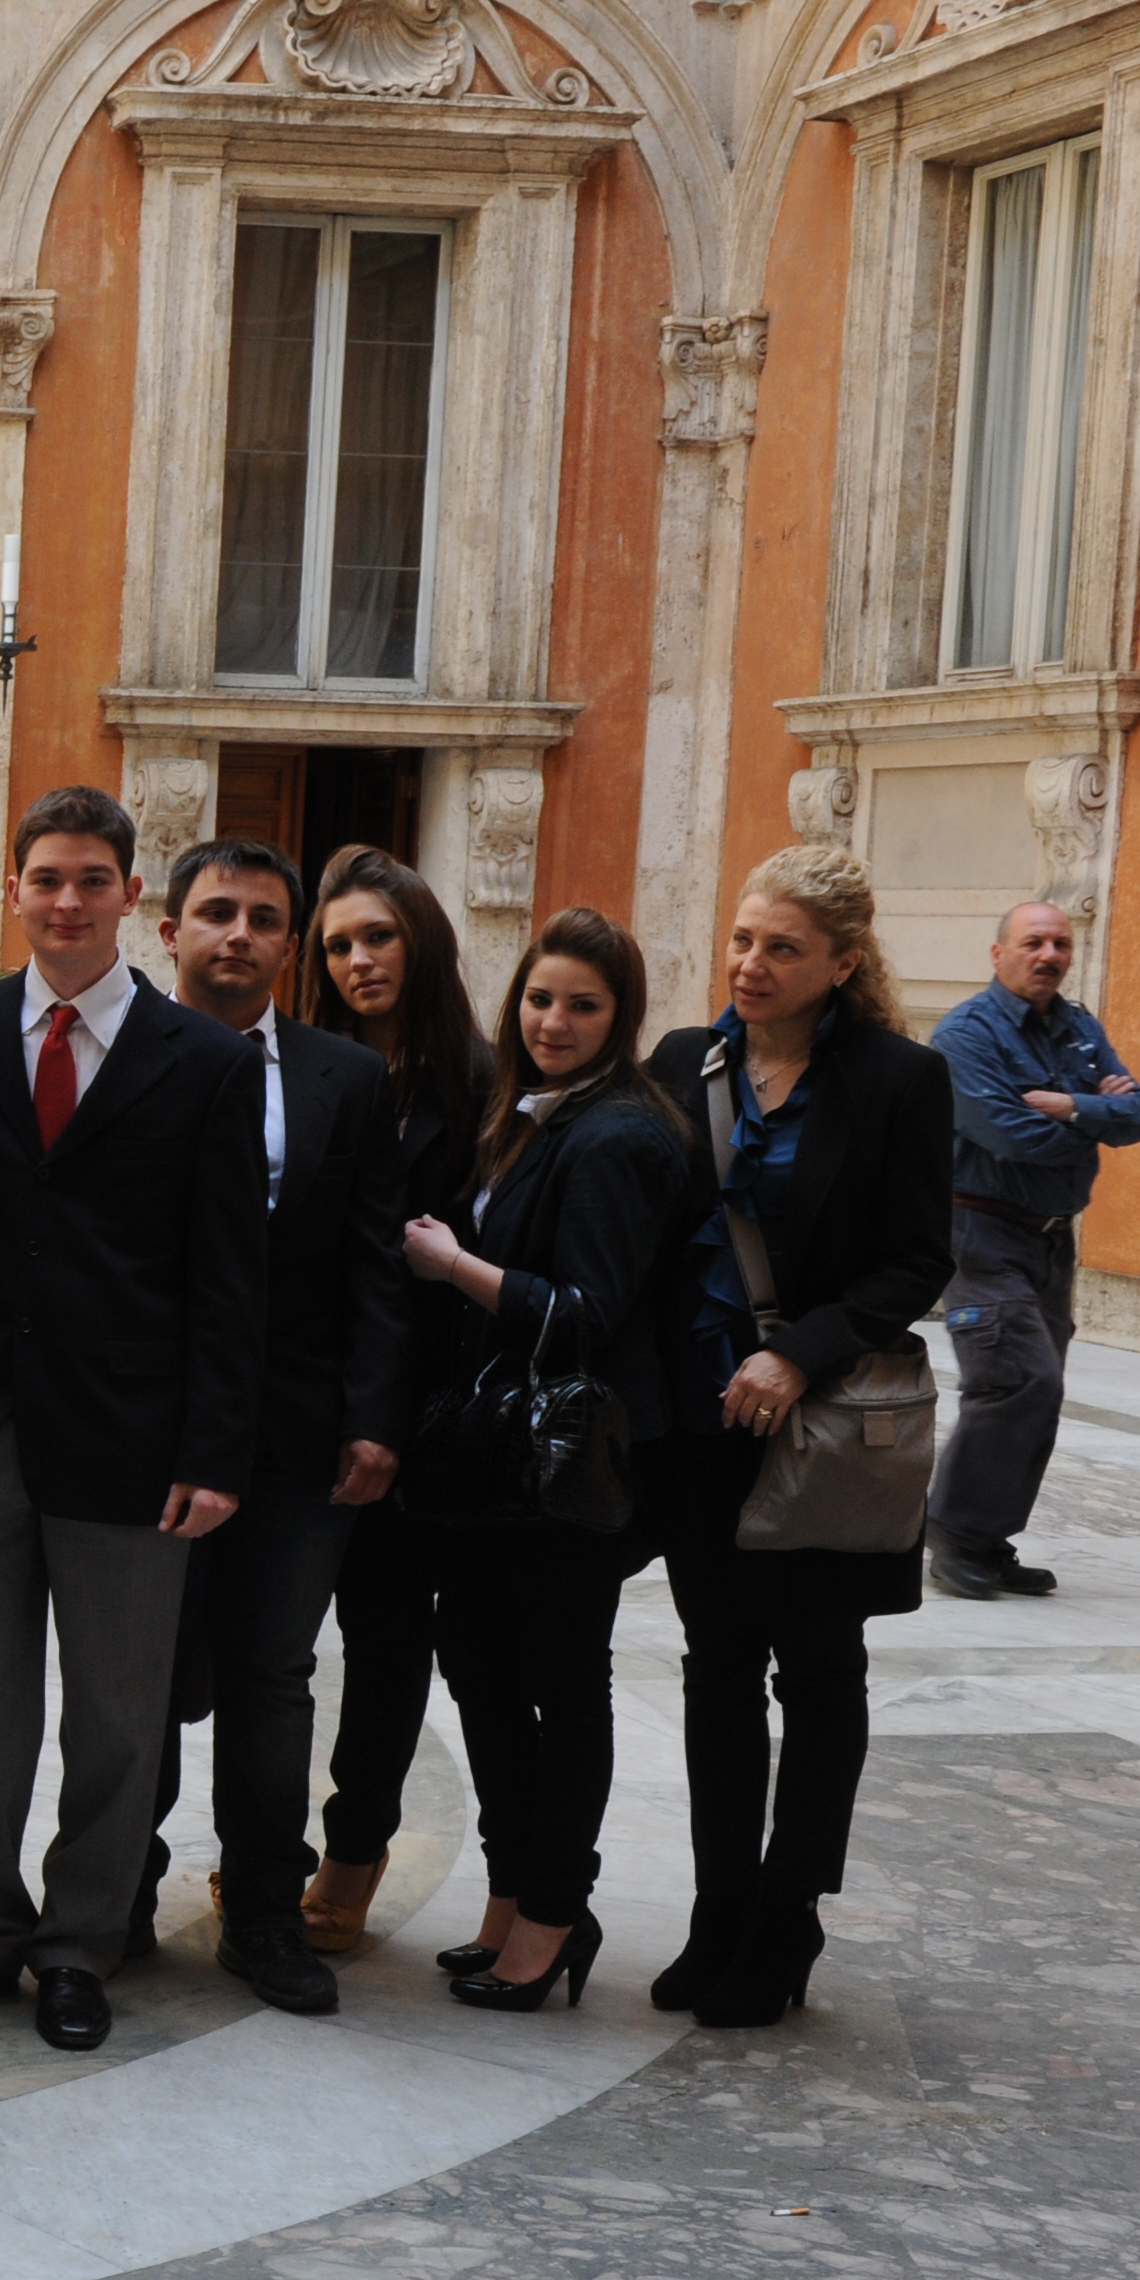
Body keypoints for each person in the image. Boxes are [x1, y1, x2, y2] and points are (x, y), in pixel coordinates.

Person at [0, 786, 264, 2057]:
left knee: (115, 1716)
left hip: (132, 1438)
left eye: (90, 880)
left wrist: (216, 1450)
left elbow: (229, 1276)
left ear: (130, 902)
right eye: (44, 878)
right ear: (12, 891)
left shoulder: (205, 1063)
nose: (65, 901)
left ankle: (77, 1943)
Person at [648, 847, 953, 2028]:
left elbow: (918, 1257)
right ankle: (717, 1908)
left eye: (780, 947)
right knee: (714, 1672)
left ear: (841, 962)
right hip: (698, 1423)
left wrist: (800, 1348)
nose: (749, 965)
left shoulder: (895, 1081)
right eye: (739, 940)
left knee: (818, 1675)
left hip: (820, 1428)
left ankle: (786, 1917)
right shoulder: (686, 1060)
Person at [395, 908, 692, 2013]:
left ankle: (552, 1913)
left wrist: (450, 1265)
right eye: (537, 998)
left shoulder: (617, 1134)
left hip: (567, 1469)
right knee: (474, 1663)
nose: (552, 1021)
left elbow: (585, 1311)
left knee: (559, 1688)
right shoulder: (528, 1114)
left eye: (581, 1005)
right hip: (497, 1468)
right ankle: (514, 1894)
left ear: (619, 1020)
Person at [137, 839, 407, 2015]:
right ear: (170, 931)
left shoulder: (345, 1078)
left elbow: (372, 1263)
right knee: (133, 1678)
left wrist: (371, 1416)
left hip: (298, 1441)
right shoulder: (120, 1061)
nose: (234, 935)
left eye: (258, 919)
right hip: (145, 1436)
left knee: (270, 1679)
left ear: (287, 946)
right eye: (213, 914)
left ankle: (261, 1913)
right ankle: (109, 1896)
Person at [301, 847, 498, 1956]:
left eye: (376, 937)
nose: (357, 960)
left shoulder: (476, 1080)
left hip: (418, 1412)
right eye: (336, 945)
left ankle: (354, 1852)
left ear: (420, 940)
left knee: (383, 1647)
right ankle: (257, 1843)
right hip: (299, 1397)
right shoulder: (311, 1066)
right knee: (267, 1649)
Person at [927, 899, 1140, 1600]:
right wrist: (1094, 1116)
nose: (1048, 955)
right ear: (999, 955)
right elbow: (1007, 1133)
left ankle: (990, 1540)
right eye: (1033, 942)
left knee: (1039, 1394)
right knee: (1018, 1379)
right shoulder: (967, 1034)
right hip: (980, 1230)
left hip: (1051, 1241)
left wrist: (1068, 1106)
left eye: (1060, 943)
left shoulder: (1078, 1026)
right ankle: (954, 1536)